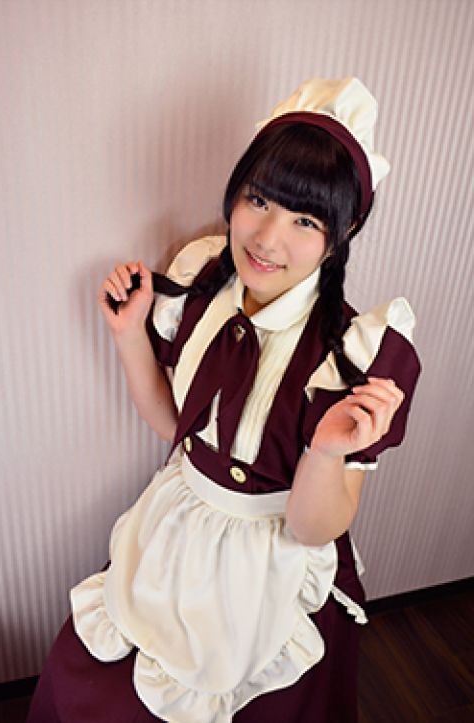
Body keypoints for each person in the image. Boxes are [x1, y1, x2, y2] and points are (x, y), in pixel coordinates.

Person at [28, 77, 421, 723]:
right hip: (175, 526)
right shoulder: (204, 280)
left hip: (264, 567)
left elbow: (310, 528)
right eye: (258, 199)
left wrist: (326, 451)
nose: (267, 238)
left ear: (344, 230)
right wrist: (129, 334)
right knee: (91, 680)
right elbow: (173, 426)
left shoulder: (351, 354)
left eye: (304, 221)